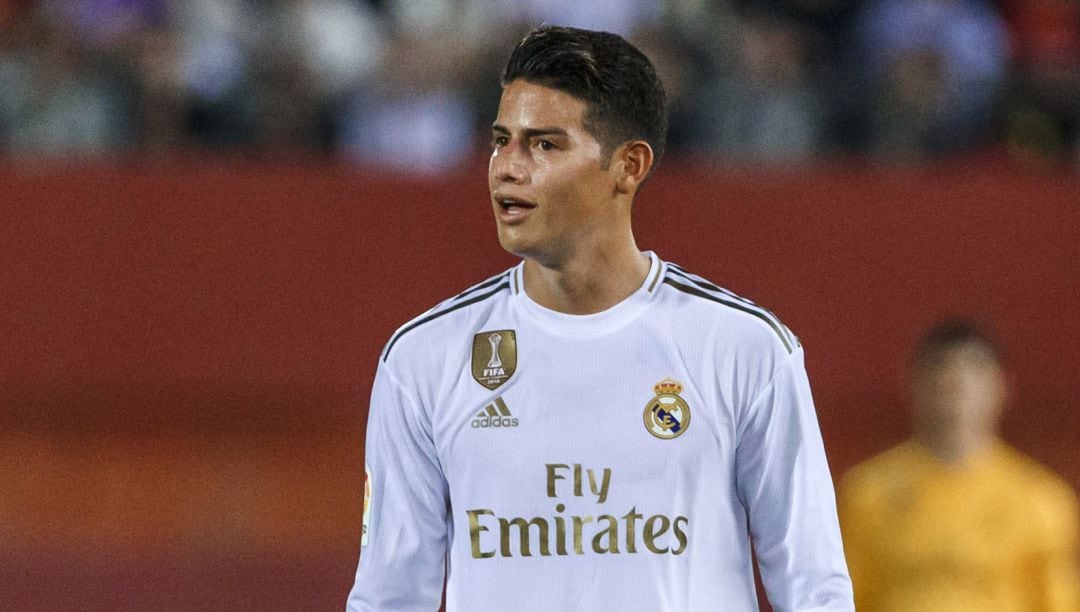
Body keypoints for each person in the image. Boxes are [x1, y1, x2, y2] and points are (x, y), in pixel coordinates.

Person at [346, 25, 853, 611]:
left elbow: (815, 591)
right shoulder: (425, 358)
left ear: (629, 166)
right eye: (500, 140)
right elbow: (388, 597)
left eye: (544, 145)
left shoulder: (745, 349)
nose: (506, 168)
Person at [838, 319, 1080, 611]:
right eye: (939, 368)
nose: (954, 383)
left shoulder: (1040, 500)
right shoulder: (867, 492)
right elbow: (843, 598)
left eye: (972, 368)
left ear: (1001, 386)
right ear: (913, 382)